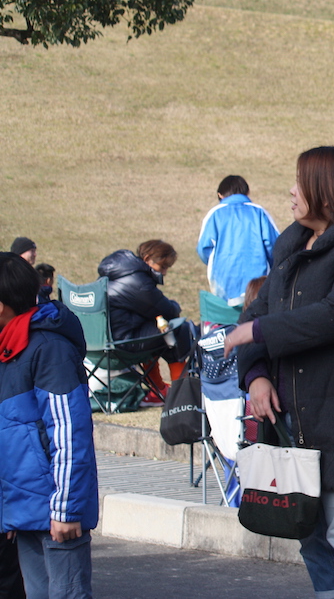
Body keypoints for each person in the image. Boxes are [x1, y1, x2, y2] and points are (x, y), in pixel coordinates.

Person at [222, 147, 334, 599]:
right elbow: (254, 313)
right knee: (307, 532)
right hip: (287, 420)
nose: (291, 192)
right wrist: (256, 375)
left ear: (328, 192)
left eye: (300, 182)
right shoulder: (289, 245)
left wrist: (259, 330)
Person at [0, 252, 98, 599]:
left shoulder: (48, 348)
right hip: (26, 511)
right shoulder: (9, 347)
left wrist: (66, 509)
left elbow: (70, 433)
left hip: (57, 513)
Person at [97, 239, 192, 404]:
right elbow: (167, 310)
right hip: (124, 344)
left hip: (101, 343)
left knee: (159, 331)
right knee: (178, 329)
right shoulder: (138, 282)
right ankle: (181, 394)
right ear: (147, 259)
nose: (164, 273)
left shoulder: (114, 274)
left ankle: (158, 390)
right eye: (163, 266)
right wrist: (176, 305)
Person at [197, 175, 280, 307]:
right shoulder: (259, 212)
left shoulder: (215, 213)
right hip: (258, 280)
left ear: (220, 195)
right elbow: (274, 245)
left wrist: (217, 262)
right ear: (247, 192)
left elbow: (204, 248)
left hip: (222, 279)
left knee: (227, 315)